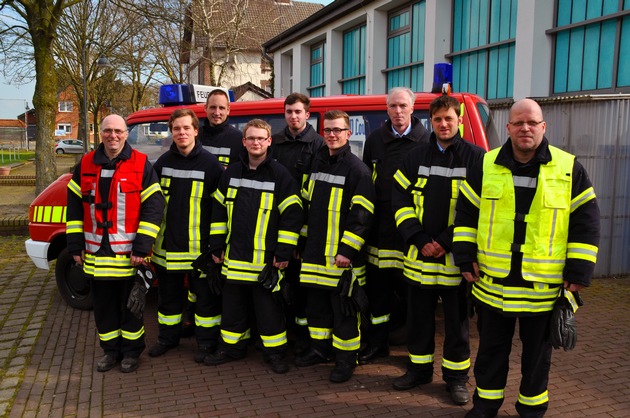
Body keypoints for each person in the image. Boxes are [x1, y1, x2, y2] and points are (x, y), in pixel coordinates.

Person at [453, 99, 600, 418]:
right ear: (508, 128)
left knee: (537, 358)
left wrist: (578, 271)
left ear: (543, 127)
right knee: (491, 354)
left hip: (542, 290)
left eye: (532, 122)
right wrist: (464, 257)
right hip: (493, 286)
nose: (525, 128)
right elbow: (465, 213)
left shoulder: (568, 167)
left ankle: (532, 410)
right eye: (518, 123)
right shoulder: (486, 164)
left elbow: (586, 221)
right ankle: (485, 407)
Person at [391, 95, 485, 404]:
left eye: (449, 118)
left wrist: (443, 242)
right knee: (418, 320)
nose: (443, 124)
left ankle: (456, 379)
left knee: (457, 326)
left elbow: (478, 210)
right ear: (430, 122)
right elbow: (400, 201)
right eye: (437, 119)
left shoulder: (477, 159)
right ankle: (418, 371)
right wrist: (418, 239)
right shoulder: (414, 155)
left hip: (454, 259)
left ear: (459, 120)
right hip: (419, 256)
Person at [66, 115, 165, 373]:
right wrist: (75, 246)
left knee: (130, 306)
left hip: (128, 255)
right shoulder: (85, 163)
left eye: (118, 131)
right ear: (100, 133)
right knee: (103, 308)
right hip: (96, 255)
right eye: (108, 131)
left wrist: (143, 247)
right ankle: (110, 352)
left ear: (125, 134)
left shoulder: (141, 164)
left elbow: (154, 207)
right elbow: (74, 208)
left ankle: (132, 353)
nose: (113, 136)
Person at [204, 119, 303, 374]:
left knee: (269, 311)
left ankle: (275, 354)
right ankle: (232, 349)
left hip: (266, 262)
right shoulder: (231, 173)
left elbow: (292, 215)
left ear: (269, 141)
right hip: (234, 258)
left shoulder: (280, 176)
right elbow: (217, 211)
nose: (256, 142)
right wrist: (216, 246)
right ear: (244, 142)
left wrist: (283, 252)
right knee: (232, 309)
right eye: (251, 138)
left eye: (261, 138)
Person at [296, 110, 375, 383]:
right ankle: (320, 350)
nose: (332, 135)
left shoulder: (358, 170)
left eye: (337, 130)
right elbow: (307, 206)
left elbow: (362, 217)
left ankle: (346, 360)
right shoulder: (318, 164)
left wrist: (348, 252)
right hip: (315, 256)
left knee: (344, 313)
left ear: (348, 133)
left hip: (341, 260)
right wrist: (302, 242)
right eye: (327, 130)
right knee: (316, 309)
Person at [360, 87, 430, 364]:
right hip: (380, 233)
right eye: (392, 106)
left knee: (415, 297)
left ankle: (416, 352)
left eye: (402, 105)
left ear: (413, 108)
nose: (398, 111)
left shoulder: (427, 141)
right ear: (386, 109)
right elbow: (367, 184)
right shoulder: (375, 140)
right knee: (378, 294)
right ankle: (378, 344)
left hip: (413, 235)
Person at [147, 109, 224, 362]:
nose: (182, 133)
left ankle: (205, 344)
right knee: (168, 300)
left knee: (205, 302)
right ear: (172, 131)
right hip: (167, 248)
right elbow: (153, 204)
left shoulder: (211, 165)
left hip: (198, 250)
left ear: (195, 131)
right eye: (177, 128)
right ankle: (167, 339)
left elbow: (219, 209)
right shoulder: (162, 163)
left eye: (186, 128)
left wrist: (215, 246)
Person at [271, 93, 324, 355]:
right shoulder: (275, 143)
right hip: (272, 230)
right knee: (277, 287)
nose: (293, 116)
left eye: (298, 111)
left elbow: (315, 201)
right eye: (289, 111)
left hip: (301, 234)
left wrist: (301, 240)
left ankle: (302, 339)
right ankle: (282, 333)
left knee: (301, 289)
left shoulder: (319, 145)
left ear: (307, 114)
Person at [200, 89, 242, 168]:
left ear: (228, 110)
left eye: (221, 108)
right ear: (205, 108)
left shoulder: (238, 139)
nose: (217, 113)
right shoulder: (195, 136)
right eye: (213, 107)